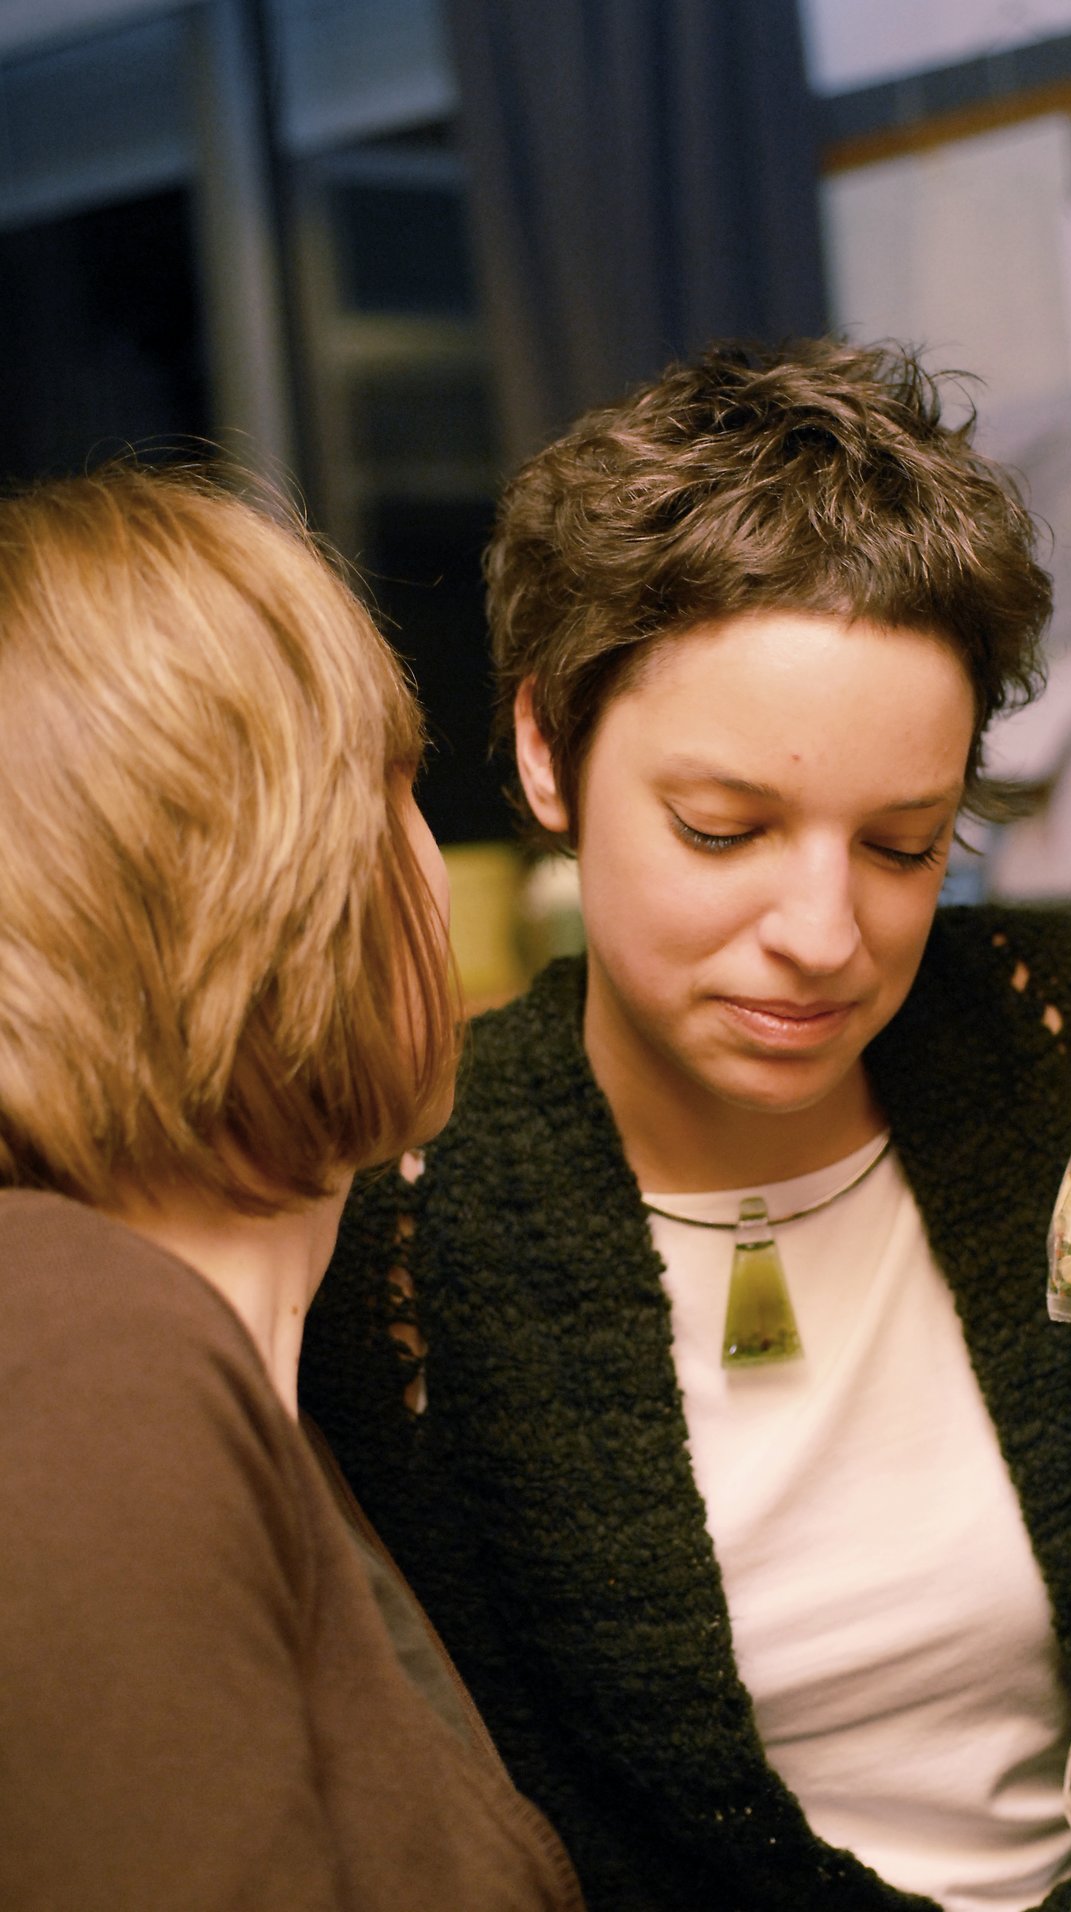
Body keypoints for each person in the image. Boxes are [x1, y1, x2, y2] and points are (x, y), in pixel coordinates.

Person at [303, 340, 1071, 1912]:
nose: (822, 935)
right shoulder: (391, 1241)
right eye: (722, 830)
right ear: (546, 750)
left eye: (903, 845)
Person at [0, 467, 582, 1911]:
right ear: (271, 880)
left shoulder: (215, 1365)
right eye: (396, 793)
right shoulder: (85, 1359)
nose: (432, 867)